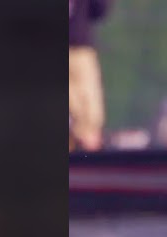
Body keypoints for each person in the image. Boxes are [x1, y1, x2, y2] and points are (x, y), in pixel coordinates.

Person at [70, 0, 112, 151]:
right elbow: (100, 10)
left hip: (79, 49)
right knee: (87, 120)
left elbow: (99, 10)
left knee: (86, 118)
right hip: (79, 50)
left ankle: (86, 144)